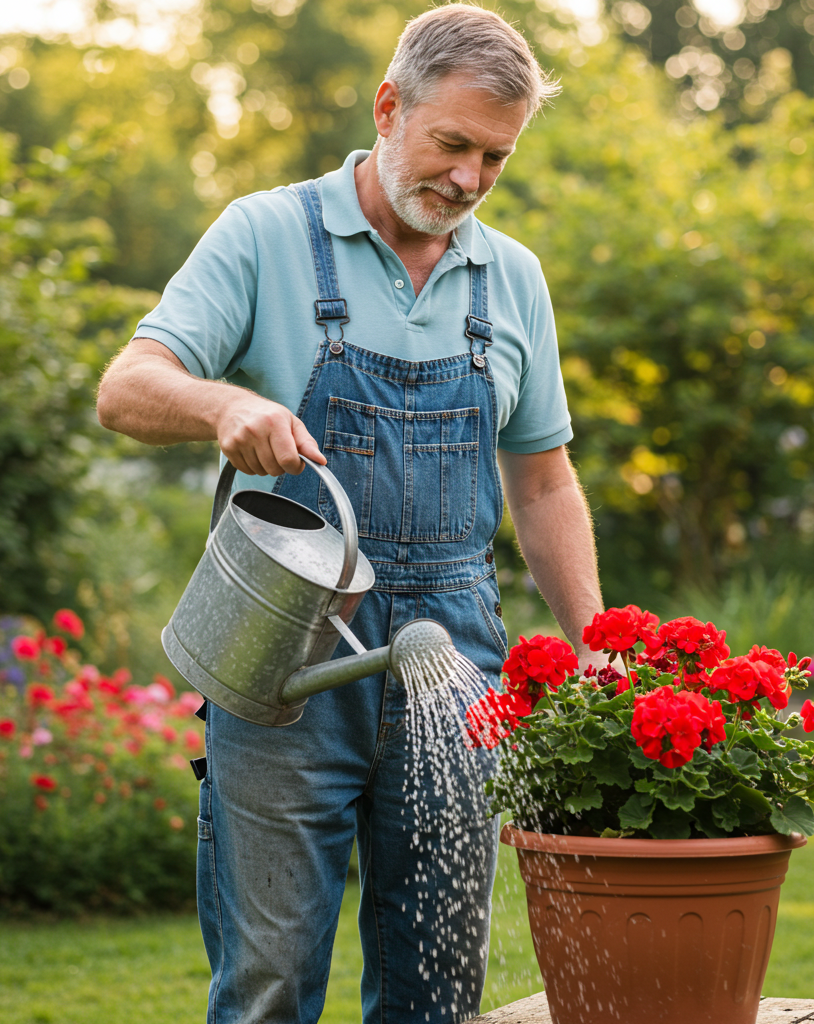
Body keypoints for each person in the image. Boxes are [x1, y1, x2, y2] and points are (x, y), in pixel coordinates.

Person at [97, 5, 606, 1022]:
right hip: (285, 664)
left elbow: (542, 480)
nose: (467, 179)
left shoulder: (512, 279)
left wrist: (594, 639)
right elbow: (126, 386)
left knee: (436, 988)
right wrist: (225, 402)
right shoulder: (264, 233)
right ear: (387, 106)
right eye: (450, 143)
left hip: (452, 667)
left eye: (494, 159)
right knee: (270, 982)